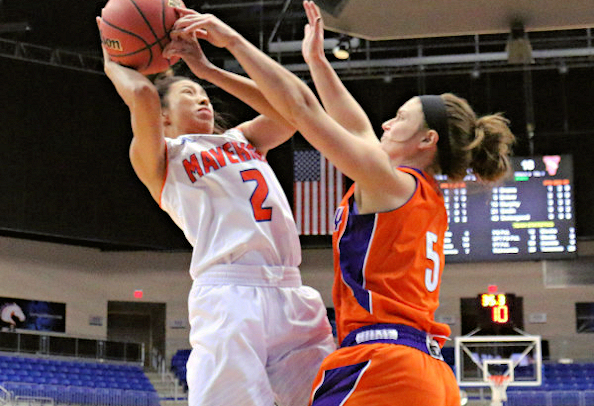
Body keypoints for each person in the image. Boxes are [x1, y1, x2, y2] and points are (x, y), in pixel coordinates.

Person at [169, 2, 515, 405]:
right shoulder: (415, 190)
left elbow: (301, 108)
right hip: (426, 371)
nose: (386, 123)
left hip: (383, 364)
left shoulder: (388, 182)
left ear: (427, 140)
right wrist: (315, 61)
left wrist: (231, 41)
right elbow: (352, 123)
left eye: (401, 118)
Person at [97, 13, 335, 406]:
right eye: (189, 94)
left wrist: (209, 70)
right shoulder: (162, 159)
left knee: (331, 399)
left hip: (291, 291)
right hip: (230, 294)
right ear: (164, 117)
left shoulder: (242, 138)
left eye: (203, 93)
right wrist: (112, 61)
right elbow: (141, 95)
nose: (202, 97)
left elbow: (292, 113)